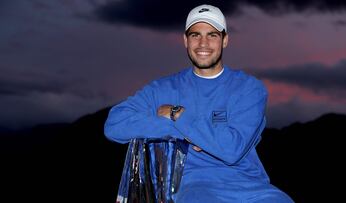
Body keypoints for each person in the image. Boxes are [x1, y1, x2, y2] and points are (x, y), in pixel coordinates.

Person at [104, 4, 294, 203]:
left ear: (225, 40)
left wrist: (177, 115)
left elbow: (231, 150)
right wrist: (187, 132)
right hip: (195, 188)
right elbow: (115, 125)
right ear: (185, 40)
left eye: (212, 35)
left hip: (251, 187)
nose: (203, 43)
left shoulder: (249, 88)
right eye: (195, 35)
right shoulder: (163, 89)